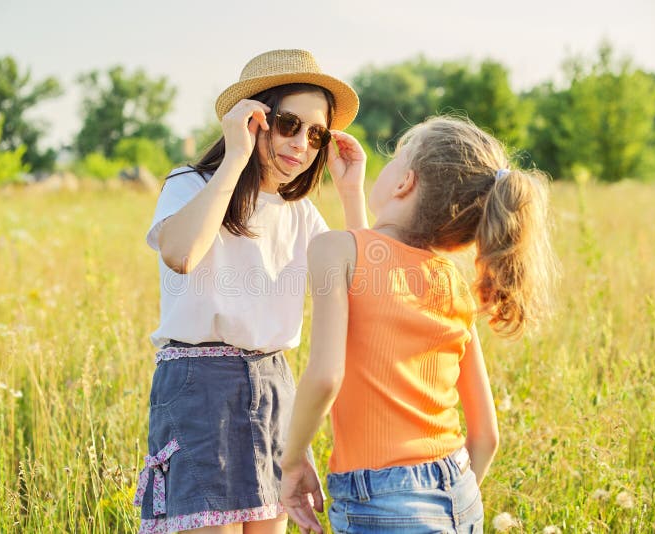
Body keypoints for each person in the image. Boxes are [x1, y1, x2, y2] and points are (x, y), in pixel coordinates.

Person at [280, 116, 559, 533]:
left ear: (404, 182)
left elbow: (325, 376)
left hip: (381, 500)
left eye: (395, 157)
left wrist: (291, 460)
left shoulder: (332, 250)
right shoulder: (453, 284)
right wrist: (349, 191)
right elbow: (486, 437)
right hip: (459, 491)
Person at [134, 49, 367, 534]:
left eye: (316, 134)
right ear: (254, 119)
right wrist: (236, 155)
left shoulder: (301, 214)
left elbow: (360, 291)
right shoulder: (190, 184)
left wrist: (351, 194)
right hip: (200, 387)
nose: (302, 143)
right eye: (288, 124)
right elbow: (181, 252)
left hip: (275, 388)